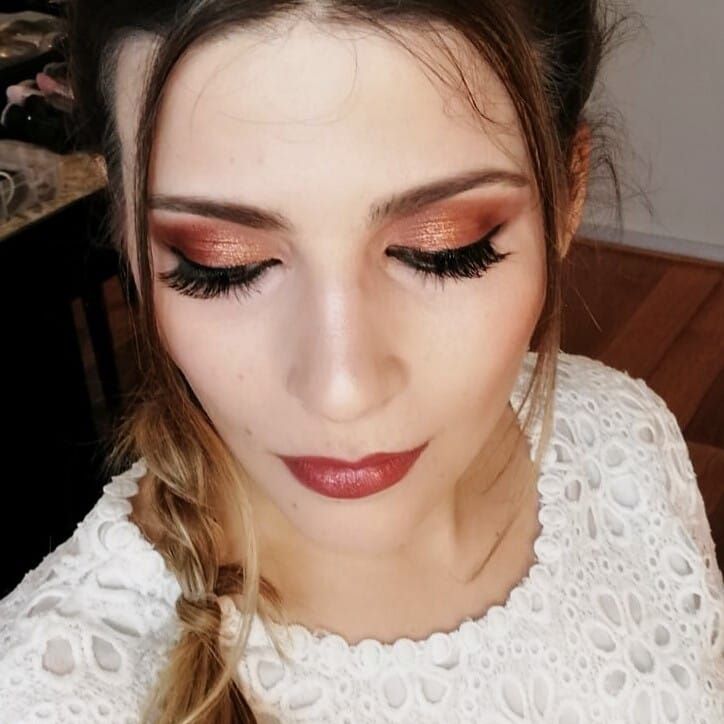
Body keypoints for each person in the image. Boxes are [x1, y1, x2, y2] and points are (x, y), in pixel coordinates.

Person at [1, 0, 722, 722]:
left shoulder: (627, 442)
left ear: (567, 198)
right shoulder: (50, 689)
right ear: (126, 232)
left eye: (444, 248)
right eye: (223, 264)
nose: (341, 390)